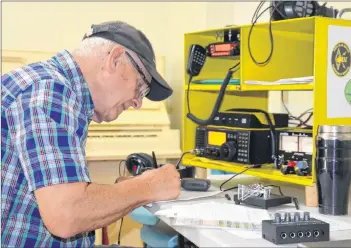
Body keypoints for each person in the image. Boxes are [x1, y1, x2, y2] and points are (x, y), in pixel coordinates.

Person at [1, 21, 181, 248]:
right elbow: (66, 215)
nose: (137, 102)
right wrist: (148, 187)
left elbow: (62, 198)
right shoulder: (49, 91)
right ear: (114, 60)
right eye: (141, 87)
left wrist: (122, 192)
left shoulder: (54, 88)